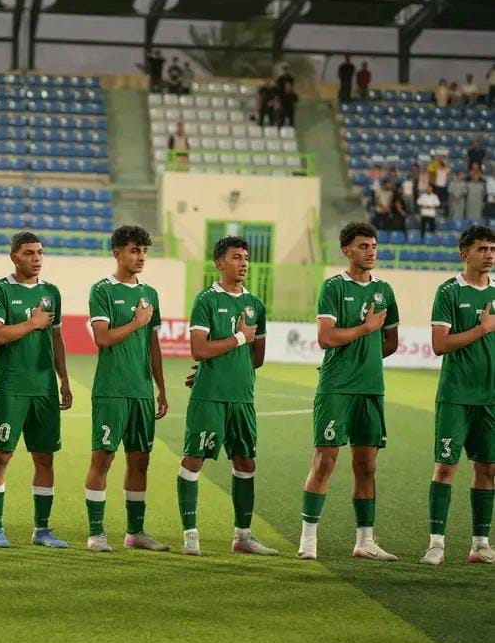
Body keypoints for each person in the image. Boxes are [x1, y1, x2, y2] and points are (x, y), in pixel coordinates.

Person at [297, 222, 400, 561]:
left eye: (374, 245)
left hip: (371, 388)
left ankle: (365, 541)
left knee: (367, 466)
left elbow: (390, 342)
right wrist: (365, 329)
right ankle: (308, 539)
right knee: (325, 461)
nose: (371, 251)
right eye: (363, 246)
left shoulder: (384, 291)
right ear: (346, 251)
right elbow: (325, 337)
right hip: (337, 387)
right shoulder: (333, 287)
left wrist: (363, 358)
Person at [177, 236, 275, 557]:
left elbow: (256, 357)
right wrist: (238, 339)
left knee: (245, 462)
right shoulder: (206, 300)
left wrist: (228, 363)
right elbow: (198, 349)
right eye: (236, 257)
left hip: (242, 397)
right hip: (210, 397)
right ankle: (190, 535)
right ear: (219, 263)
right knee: (194, 459)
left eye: (246, 257)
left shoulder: (256, 304)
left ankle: (243, 537)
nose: (243, 262)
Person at [0, 232, 72, 549]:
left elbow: (56, 339)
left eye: (40, 252)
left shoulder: (51, 292)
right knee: (1, 456)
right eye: (29, 252)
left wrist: (64, 379)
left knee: (45, 458)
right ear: (14, 257)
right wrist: (32, 323)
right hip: (12, 386)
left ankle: (42, 530)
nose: (37, 258)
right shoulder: (0, 290)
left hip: (44, 388)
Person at [83, 225, 168, 553]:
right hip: (112, 389)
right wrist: (136, 322)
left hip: (141, 391)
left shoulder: (151, 294)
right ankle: (96, 533)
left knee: (140, 461)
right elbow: (102, 338)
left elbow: (153, 344)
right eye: (134, 250)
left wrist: (160, 387)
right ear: (117, 253)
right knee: (103, 458)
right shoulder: (102, 290)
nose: (141, 256)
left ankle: (135, 533)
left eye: (144, 251)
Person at [420, 224, 495, 566]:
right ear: (465, 254)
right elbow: (440, 345)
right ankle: (436, 544)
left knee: (487, 469)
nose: (489, 255)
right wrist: (482, 329)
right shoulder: (448, 291)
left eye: (492, 249)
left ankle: (480, 544)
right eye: (482, 249)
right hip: (455, 395)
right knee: (445, 468)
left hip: (490, 398)